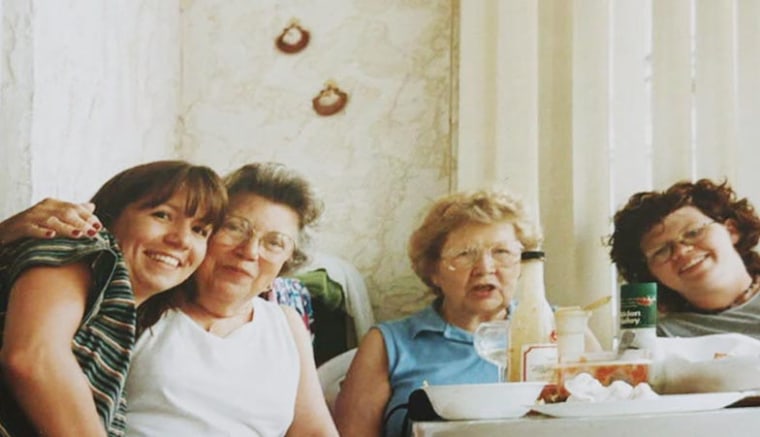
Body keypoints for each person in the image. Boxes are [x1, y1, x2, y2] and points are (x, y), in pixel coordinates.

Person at [1, 162, 337, 436]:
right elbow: (35, 357)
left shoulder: (285, 322)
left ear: (287, 262)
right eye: (235, 228)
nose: (249, 252)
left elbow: (314, 431)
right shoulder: (143, 293)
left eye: (274, 242)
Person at [0, 160, 227, 437]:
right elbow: (34, 357)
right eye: (162, 215)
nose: (181, 240)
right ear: (111, 215)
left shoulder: (125, 319)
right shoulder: (88, 250)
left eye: (200, 230)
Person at [334, 189, 542, 437]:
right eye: (465, 254)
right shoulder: (388, 344)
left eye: (502, 253)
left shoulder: (558, 329)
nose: (485, 268)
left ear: (523, 264)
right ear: (433, 271)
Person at [608, 178, 760, 339]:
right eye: (661, 251)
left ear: (732, 230)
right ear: (650, 274)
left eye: (693, 233)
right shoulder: (661, 338)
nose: (681, 251)